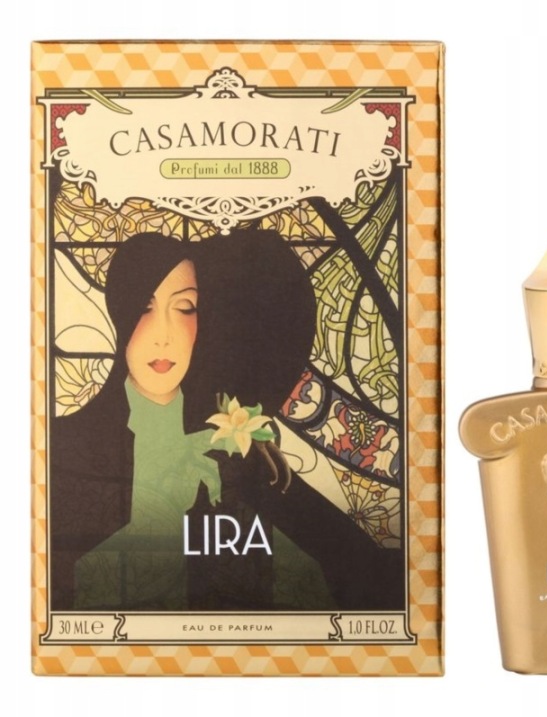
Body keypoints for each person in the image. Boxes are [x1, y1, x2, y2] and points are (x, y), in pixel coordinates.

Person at [50, 230, 403, 612]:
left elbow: (361, 574)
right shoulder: (64, 447)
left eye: (185, 308)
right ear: (120, 314)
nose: (163, 336)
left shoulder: (235, 444)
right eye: (145, 308)